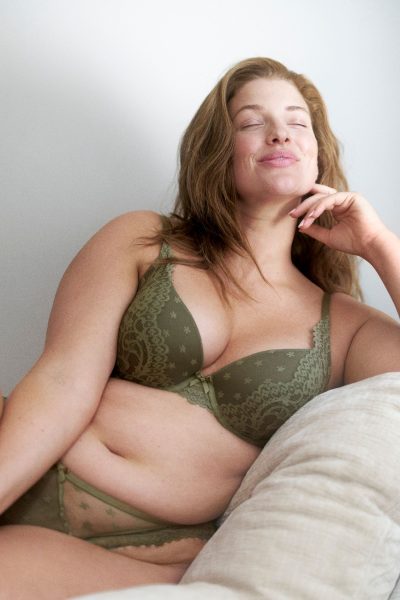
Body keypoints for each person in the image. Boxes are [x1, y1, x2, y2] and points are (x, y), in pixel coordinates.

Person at [1, 56, 400, 599]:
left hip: (144, 550)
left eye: (297, 121)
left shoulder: (347, 327)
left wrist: (378, 244)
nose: (279, 132)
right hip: (22, 463)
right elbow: (62, 379)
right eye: (252, 121)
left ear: (319, 155)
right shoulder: (144, 240)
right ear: (218, 148)